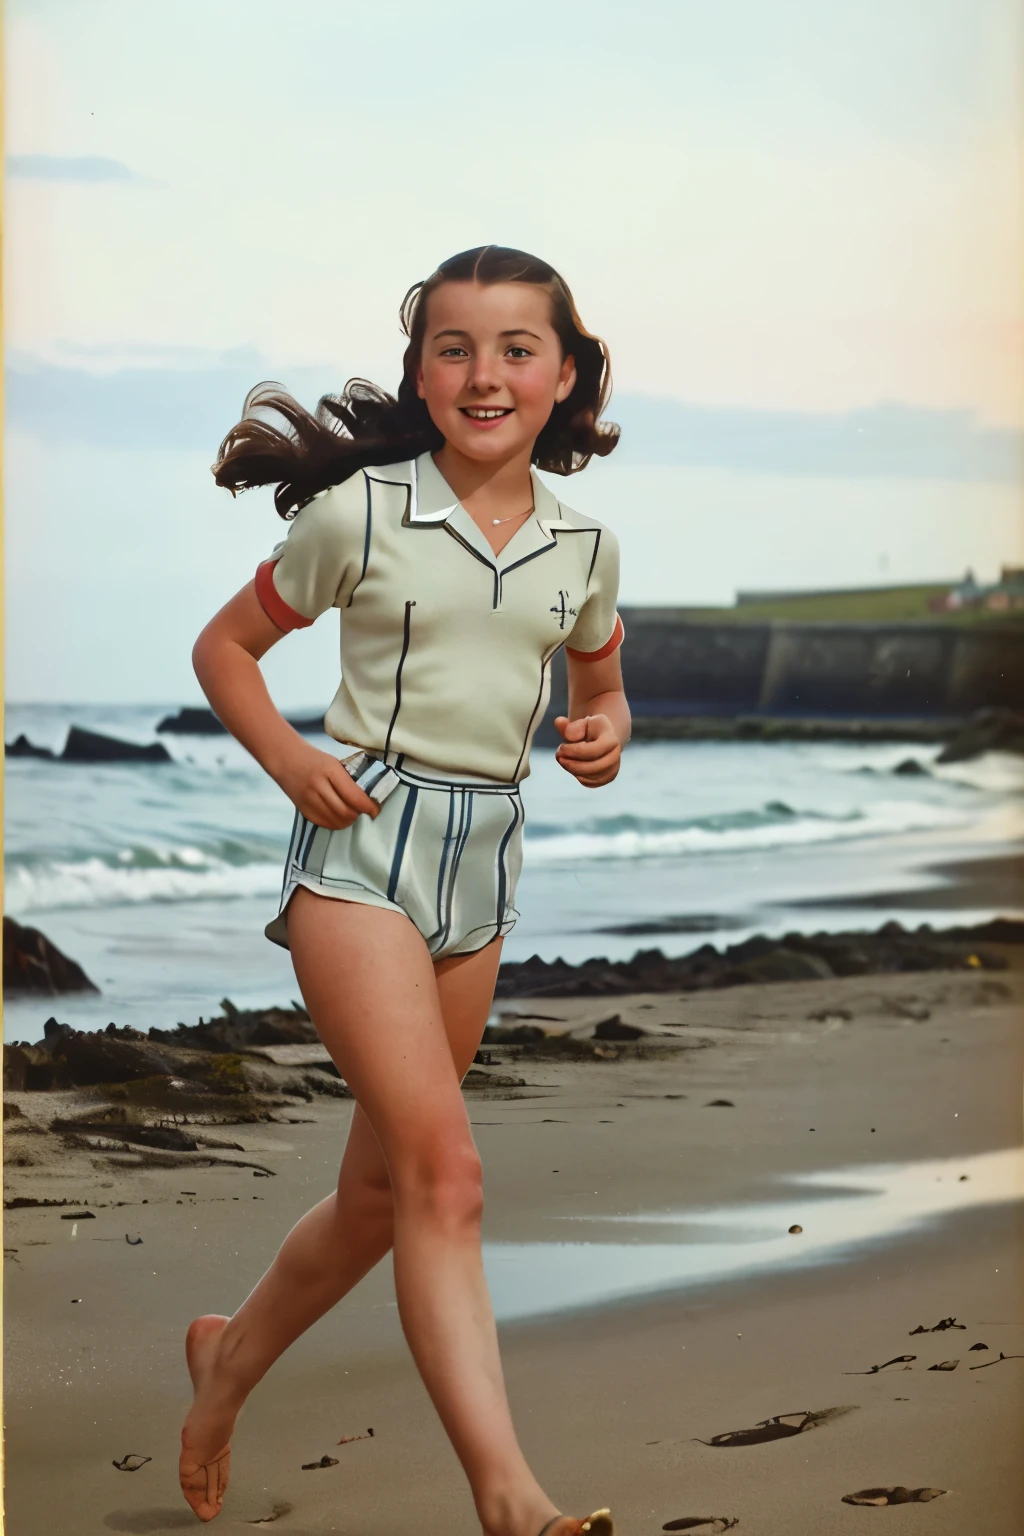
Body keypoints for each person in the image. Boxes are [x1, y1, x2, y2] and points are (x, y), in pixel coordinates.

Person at [181, 245, 630, 1536]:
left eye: (515, 348)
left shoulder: (586, 547)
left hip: (484, 867)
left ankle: (227, 1360)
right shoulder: (363, 514)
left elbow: (598, 692)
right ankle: (511, 1500)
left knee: (385, 1196)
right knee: (449, 1174)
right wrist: (291, 761)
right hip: (363, 853)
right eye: (454, 346)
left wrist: (604, 739)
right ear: (422, 373)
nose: (484, 371)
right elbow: (227, 648)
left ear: (563, 376)